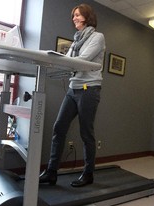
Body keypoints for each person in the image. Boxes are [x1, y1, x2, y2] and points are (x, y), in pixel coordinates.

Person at [39, 3, 105, 187]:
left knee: (86, 133)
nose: (74, 18)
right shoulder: (76, 41)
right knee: (59, 127)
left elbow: (82, 61)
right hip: (73, 88)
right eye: (73, 15)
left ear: (87, 16)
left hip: (88, 89)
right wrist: (52, 60)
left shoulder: (97, 37)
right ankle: (52, 172)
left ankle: (88, 173)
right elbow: (67, 62)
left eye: (77, 15)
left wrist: (66, 62)